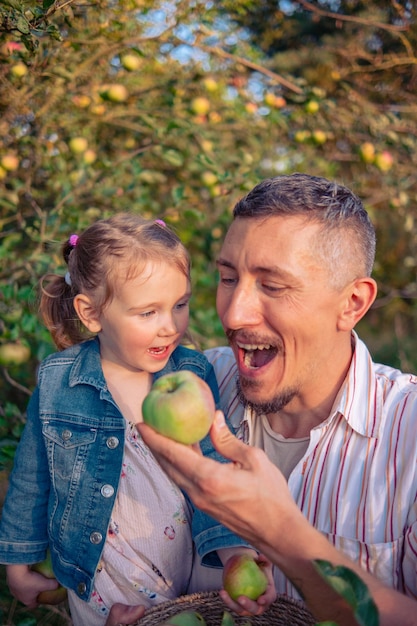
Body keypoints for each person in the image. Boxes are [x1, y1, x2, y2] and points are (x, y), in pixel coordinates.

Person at [139, 173, 417, 604]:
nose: (232, 315)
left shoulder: (409, 435)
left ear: (352, 304)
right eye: (228, 278)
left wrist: (280, 535)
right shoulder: (194, 382)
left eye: (272, 285)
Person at [0, 214, 275, 626]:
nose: (170, 327)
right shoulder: (60, 380)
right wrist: (19, 560)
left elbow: (213, 466)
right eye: (148, 313)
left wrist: (235, 551)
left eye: (180, 305)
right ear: (91, 314)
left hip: (185, 576)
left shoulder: (191, 374)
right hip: (99, 583)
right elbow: (31, 476)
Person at [138, 412, 417, 626]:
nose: (232, 331)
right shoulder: (202, 377)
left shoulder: (409, 428)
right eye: (228, 329)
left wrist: (281, 534)